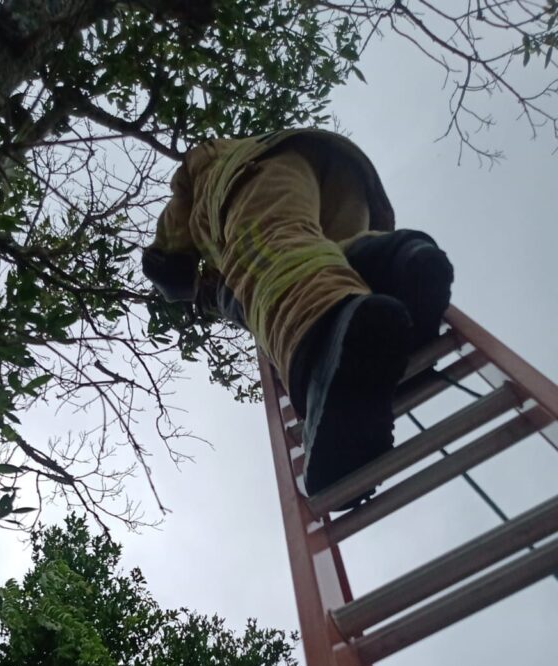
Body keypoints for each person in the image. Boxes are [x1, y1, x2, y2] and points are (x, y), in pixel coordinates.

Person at [141, 128, 453, 502]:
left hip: (254, 174)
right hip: (340, 179)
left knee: (267, 261)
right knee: (328, 262)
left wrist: (175, 273)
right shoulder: (250, 153)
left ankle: (323, 348)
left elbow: (170, 252)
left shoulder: (203, 170)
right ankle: (396, 265)